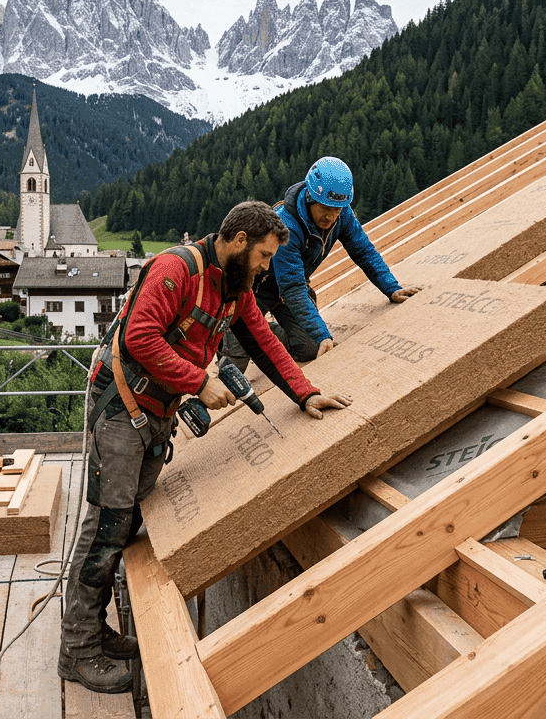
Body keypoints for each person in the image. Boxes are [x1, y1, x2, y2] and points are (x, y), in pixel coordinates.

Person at [58, 200, 353, 694]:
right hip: (122, 408)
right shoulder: (176, 270)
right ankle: (77, 650)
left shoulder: (235, 289)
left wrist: (304, 391)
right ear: (238, 242)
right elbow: (139, 338)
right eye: (262, 256)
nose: (265, 268)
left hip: (156, 414)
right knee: (106, 526)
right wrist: (198, 380)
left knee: (127, 520)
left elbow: (263, 340)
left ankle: (95, 631)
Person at [230, 156, 421, 366]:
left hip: (292, 284)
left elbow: (364, 252)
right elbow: (292, 288)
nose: (331, 216)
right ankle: (239, 332)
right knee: (235, 361)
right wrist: (323, 333)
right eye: (325, 208)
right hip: (255, 288)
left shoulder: (342, 213)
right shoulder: (286, 224)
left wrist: (391, 288)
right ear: (311, 197)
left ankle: (266, 331)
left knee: (311, 346)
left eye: (336, 209)